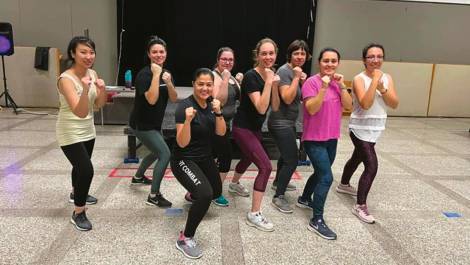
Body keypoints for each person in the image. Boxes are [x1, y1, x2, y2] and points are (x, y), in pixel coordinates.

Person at [338, 43, 398, 224]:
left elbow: (394, 103)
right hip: (359, 129)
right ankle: (360, 205)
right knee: (371, 166)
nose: (375, 60)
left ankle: (343, 184)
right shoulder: (359, 78)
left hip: (376, 128)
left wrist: (383, 88)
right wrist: (374, 82)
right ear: (364, 60)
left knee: (357, 158)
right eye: (371, 57)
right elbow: (365, 104)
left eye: (379, 56)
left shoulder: (387, 78)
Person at [297, 47, 352, 240]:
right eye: (326, 60)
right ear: (319, 62)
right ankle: (317, 220)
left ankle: (304, 198)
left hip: (331, 138)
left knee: (320, 172)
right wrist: (323, 87)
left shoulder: (338, 83)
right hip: (314, 139)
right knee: (327, 178)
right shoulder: (311, 83)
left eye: (333, 61)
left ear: (338, 63)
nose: (329, 64)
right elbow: (311, 109)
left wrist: (342, 85)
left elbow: (349, 106)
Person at [171, 68, 226, 259]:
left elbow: (221, 132)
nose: (205, 88)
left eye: (208, 84)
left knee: (217, 192)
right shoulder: (184, 107)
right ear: (193, 84)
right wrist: (187, 121)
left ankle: (192, 191)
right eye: (200, 84)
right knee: (205, 194)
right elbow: (182, 142)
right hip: (183, 160)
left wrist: (219, 113)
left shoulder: (212, 105)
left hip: (205, 158)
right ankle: (185, 238)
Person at [56, 36, 107, 231]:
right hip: (69, 130)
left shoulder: (92, 73)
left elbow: (99, 105)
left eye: (91, 52)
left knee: (79, 167)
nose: (88, 56)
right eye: (83, 52)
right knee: (87, 170)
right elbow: (79, 111)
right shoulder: (65, 79)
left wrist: (101, 89)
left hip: (88, 129)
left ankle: (75, 192)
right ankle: (78, 212)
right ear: (72, 53)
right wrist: (85, 89)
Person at [230, 38, 280, 232]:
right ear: (257, 55)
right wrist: (269, 82)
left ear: (275, 55)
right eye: (264, 53)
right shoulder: (252, 76)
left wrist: (274, 85)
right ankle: (254, 214)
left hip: (255, 129)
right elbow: (260, 108)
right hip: (243, 128)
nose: (268, 57)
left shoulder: (271, 75)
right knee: (266, 167)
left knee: (247, 157)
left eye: (271, 53)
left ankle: (234, 184)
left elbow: (274, 106)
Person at [129, 36, 177, 208]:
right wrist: (156, 75)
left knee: (158, 151)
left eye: (161, 51)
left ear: (166, 53)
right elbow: (151, 99)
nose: (158, 55)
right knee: (165, 154)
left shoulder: (167, 73)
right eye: (154, 52)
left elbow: (174, 98)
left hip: (155, 123)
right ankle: (154, 195)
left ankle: (138, 177)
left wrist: (169, 82)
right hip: (141, 124)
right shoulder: (144, 75)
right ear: (149, 54)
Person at [268, 40, 310, 213]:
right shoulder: (285, 71)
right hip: (280, 122)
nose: (300, 57)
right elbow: (286, 97)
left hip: (288, 122)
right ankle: (279, 196)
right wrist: (295, 77)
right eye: (296, 53)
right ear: (290, 55)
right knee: (292, 160)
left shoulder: (295, 73)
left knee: (286, 156)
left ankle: (278, 181)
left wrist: (301, 80)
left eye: (303, 53)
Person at [211, 47, 243, 207]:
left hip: (226, 124)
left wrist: (239, 82)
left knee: (217, 158)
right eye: (224, 59)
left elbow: (238, 98)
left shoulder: (230, 76)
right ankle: (215, 193)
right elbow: (220, 101)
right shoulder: (215, 76)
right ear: (218, 60)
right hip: (214, 124)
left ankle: (208, 189)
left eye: (231, 59)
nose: (228, 62)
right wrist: (225, 79)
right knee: (224, 158)